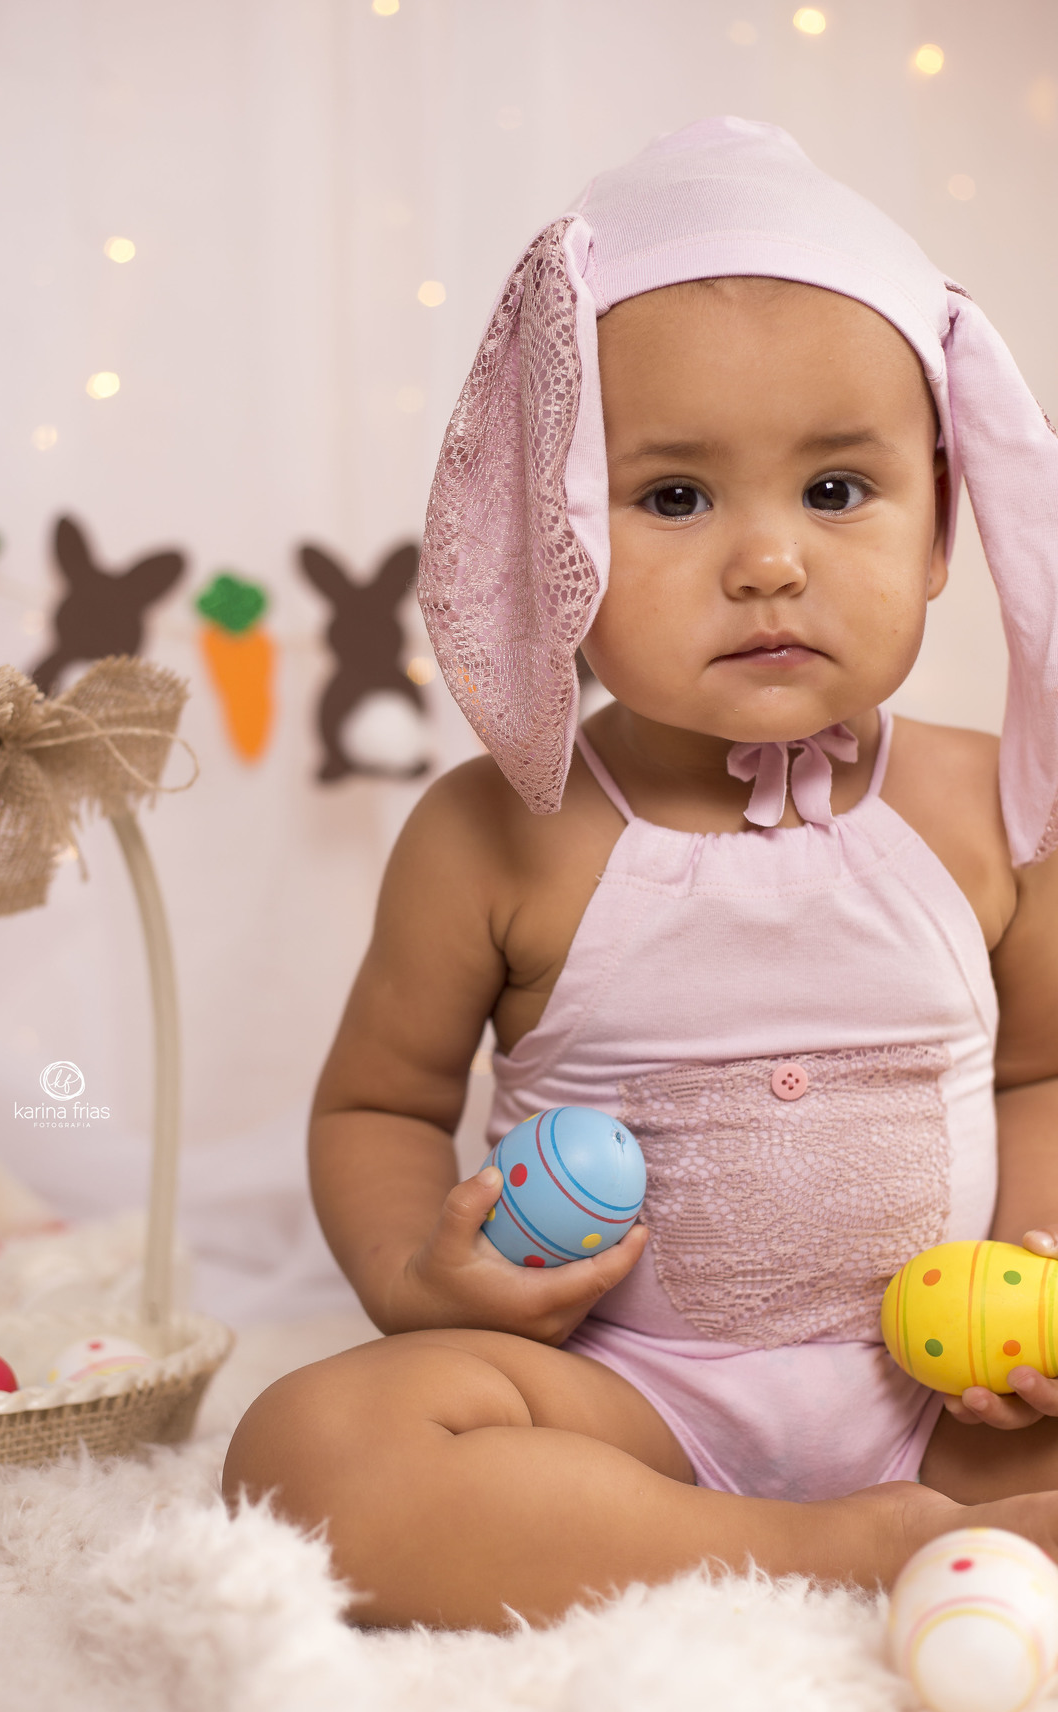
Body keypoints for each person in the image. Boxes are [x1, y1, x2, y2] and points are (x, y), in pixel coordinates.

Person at [224, 118, 1058, 1631]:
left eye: (836, 491)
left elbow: (1048, 1075)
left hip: (948, 1399)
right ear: (550, 546)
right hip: (626, 1404)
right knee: (309, 1454)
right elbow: (380, 1104)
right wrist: (424, 1283)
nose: (769, 562)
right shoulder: (495, 829)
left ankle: (937, 1509)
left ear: (942, 519)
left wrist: (1035, 1279)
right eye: (674, 499)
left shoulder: (992, 802)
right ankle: (838, 1556)